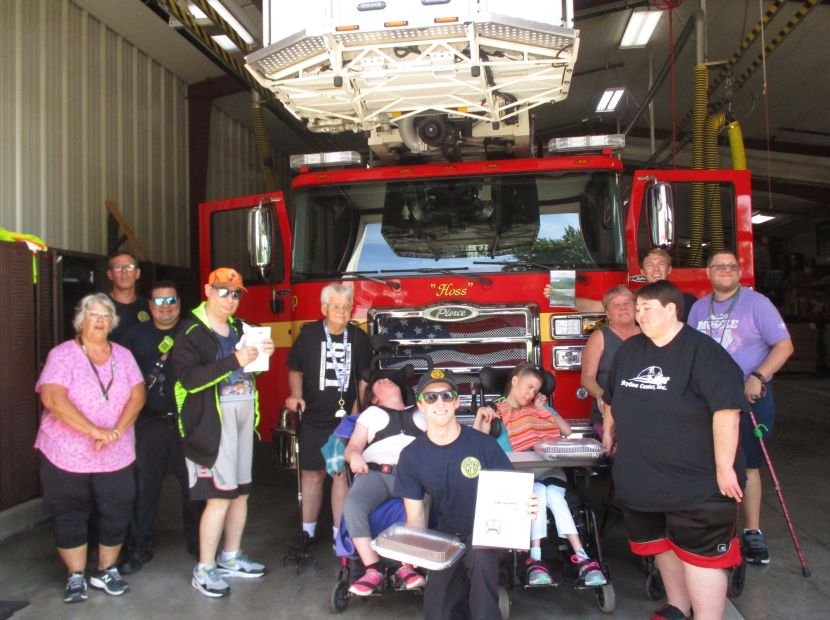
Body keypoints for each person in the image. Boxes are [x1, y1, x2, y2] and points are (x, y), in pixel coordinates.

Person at [602, 281, 748, 620]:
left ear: (671, 310)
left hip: (696, 484)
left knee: (701, 556)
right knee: (662, 545)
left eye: (647, 309)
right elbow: (611, 398)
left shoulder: (704, 352)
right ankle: (677, 608)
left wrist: (724, 468)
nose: (639, 315)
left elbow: (727, 411)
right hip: (643, 478)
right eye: (638, 309)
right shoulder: (630, 350)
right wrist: (609, 431)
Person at [395, 370, 539, 620]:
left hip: (488, 535)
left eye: (446, 396)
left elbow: (514, 491)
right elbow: (415, 517)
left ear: (456, 401)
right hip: (446, 536)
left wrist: (528, 506)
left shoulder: (483, 444)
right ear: (420, 405)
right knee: (437, 610)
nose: (439, 403)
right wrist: (414, 550)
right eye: (430, 397)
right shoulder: (411, 456)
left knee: (481, 575)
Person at [35, 293, 146, 603]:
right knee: (70, 512)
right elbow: (53, 398)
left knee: (117, 510)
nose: (100, 320)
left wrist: (116, 431)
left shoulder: (123, 355)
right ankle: (75, 576)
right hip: (66, 452)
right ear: (80, 319)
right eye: (94, 314)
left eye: (106, 315)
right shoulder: (62, 355)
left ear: (113, 322)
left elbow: (138, 395)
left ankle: (106, 570)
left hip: (116, 451)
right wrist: (95, 431)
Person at [172, 268, 275, 598]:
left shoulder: (240, 328)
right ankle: (204, 568)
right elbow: (190, 380)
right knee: (218, 496)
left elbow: (251, 371)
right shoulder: (190, 331)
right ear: (207, 290)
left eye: (236, 293)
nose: (230, 299)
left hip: (243, 419)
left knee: (240, 493)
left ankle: (230, 556)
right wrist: (235, 359)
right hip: (210, 426)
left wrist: (262, 354)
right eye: (223, 291)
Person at [687, 250, 794, 565]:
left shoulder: (758, 303)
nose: (725, 270)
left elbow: (785, 345)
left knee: (748, 464)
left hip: (749, 398)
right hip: (707, 400)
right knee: (709, 463)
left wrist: (758, 377)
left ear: (739, 271)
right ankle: (718, 529)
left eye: (731, 266)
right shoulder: (698, 308)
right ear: (708, 272)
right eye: (719, 266)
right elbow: (689, 350)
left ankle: (753, 531)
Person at [474, 363, 606, 588]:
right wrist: (480, 417)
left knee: (550, 493)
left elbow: (566, 432)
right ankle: (574, 557)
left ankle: (555, 558)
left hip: (549, 470)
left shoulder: (540, 409)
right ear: (515, 380)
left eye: (535, 390)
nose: (530, 393)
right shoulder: (496, 410)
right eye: (528, 387)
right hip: (519, 474)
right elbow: (477, 443)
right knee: (541, 493)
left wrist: (543, 409)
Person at [118, 280, 200, 574]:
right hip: (149, 422)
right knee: (144, 487)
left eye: (171, 300)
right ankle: (139, 545)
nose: (166, 307)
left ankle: (199, 543)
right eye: (159, 301)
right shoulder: (133, 336)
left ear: (179, 302)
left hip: (187, 423)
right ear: (150, 305)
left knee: (194, 486)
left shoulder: (193, 332)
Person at [285, 284, 372, 547]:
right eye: (336, 306)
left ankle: (339, 536)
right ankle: (307, 533)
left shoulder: (358, 338)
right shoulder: (309, 335)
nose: (342, 312)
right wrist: (296, 395)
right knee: (312, 474)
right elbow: (295, 370)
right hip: (313, 418)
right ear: (324, 308)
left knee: (340, 475)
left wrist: (356, 415)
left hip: (344, 422)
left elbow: (364, 381)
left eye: (347, 307)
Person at [343, 372, 427, 596]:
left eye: (389, 380)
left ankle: (406, 566)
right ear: (374, 398)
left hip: (412, 474)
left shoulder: (422, 412)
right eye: (380, 382)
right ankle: (373, 568)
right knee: (353, 504)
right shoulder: (371, 414)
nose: (386, 380)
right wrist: (355, 458)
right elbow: (353, 447)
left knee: (418, 506)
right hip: (375, 472)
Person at [580, 286, 640, 438]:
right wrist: (601, 396)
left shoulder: (648, 334)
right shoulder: (599, 337)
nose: (623, 307)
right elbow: (587, 377)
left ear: (635, 306)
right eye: (616, 305)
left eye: (627, 302)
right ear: (607, 313)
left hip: (642, 415)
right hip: (608, 415)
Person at [640, 249, 697, 321]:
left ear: (669, 269)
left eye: (661, 264)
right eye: (650, 265)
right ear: (642, 271)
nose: (656, 269)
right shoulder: (635, 302)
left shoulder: (687, 301)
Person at [106, 252, 149, 343]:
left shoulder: (148, 306)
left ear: (137, 273)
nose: (124, 271)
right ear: (110, 274)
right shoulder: (99, 305)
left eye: (129, 267)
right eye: (118, 267)